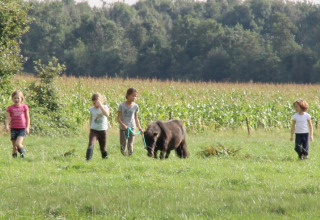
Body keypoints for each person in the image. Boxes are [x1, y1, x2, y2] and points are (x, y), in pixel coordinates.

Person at [117, 88, 143, 156]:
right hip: (123, 128)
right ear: (127, 95)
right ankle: (124, 157)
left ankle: (130, 157)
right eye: (133, 96)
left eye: (135, 96)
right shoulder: (122, 105)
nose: (134, 97)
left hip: (132, 127)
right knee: (122, 145)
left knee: (130, 144)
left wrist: (139, 127)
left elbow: (136, 118)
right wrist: (124, 125)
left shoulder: (135, 106)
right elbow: (118, 118)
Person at [5, 90, 30, 158]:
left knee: (18, 143)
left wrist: (27, 127)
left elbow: (28, 118)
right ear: (12, 98)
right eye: (15, 98)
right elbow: (8, 118)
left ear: (21, 98)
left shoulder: (24, 107)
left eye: (18, 98)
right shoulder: (10, 108)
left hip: (22, 128)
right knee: (14, 145)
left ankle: (23, 151)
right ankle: (14, 157)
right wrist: (7, 125)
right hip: (13, 128)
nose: (16, 100)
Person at [86, 93, 110, 160]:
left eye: (96, 102)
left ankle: (105, 159)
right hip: (94, 130)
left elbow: (107, 114)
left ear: (101, 100)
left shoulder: (105, 107)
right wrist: (90, 127)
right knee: (91, 144)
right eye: (94, 103)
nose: (95, 105)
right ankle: (88, 160)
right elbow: (91, 119)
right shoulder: (92, 109)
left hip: (103, 130)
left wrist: (100, 106)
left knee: (103, 147)